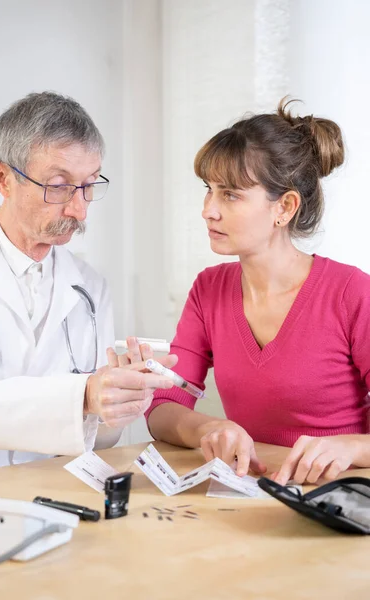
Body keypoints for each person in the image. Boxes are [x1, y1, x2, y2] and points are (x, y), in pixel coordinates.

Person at [145, 99, 370, 485]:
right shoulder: (209, 289)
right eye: (209, 190)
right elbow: (165, 405)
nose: (208, 210)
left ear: (284, 207)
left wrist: (350, 447)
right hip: (251, 495)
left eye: (230, 194)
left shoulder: (352, 293)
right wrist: (209, 429)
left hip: (338, 498)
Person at [0, 91, 176, 471]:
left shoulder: (89, 289)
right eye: (59, 185)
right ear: (3, 178)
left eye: (89, 184)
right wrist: (82, 395)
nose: (79, 209)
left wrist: (117, 399)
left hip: (53, 496)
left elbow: (99, 438)